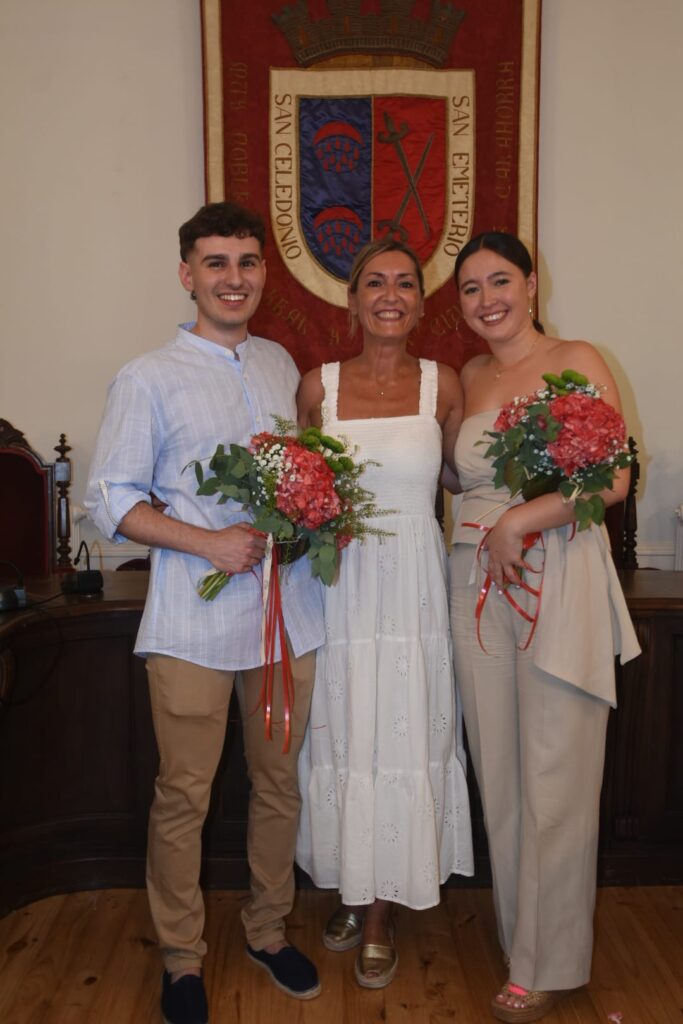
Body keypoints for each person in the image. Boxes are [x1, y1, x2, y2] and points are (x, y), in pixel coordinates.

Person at [84, 202, 325, 1024]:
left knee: (279, 784)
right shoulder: (148, 376)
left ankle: (267, 929)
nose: (233, 277)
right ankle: (182, 959)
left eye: (247, 262)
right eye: (216, 263)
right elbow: (109, 500)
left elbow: (298, 478)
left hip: (286, 617)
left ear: (264, 274)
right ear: (187, 274)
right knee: (184, 793)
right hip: (193, 621)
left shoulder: (278, 364)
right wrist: (206, 542)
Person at [447, 231, 640, 1022]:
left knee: (556, 773)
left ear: (531, 284)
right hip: (472, 581)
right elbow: (456, 477)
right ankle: (518, 938)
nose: (486, 299)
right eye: (469, 288)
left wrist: (519, 520)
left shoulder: (577, 358)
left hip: (554, 568)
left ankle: (548, 961)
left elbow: (613, 478)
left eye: (499, 280)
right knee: (498, 772)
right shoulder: (468, 375)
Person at [295, 238, 474, 990]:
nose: (390, 296)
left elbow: (463, 477)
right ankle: (351, 884)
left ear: (422, 302)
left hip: (413, 587)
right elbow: (301, 488)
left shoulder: (444, 384)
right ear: (352, 299)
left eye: (405, 283)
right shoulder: (317, 387)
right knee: (346, 732)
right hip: (340, 583)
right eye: (375, 283)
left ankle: (379, 913)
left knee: (403, 732)